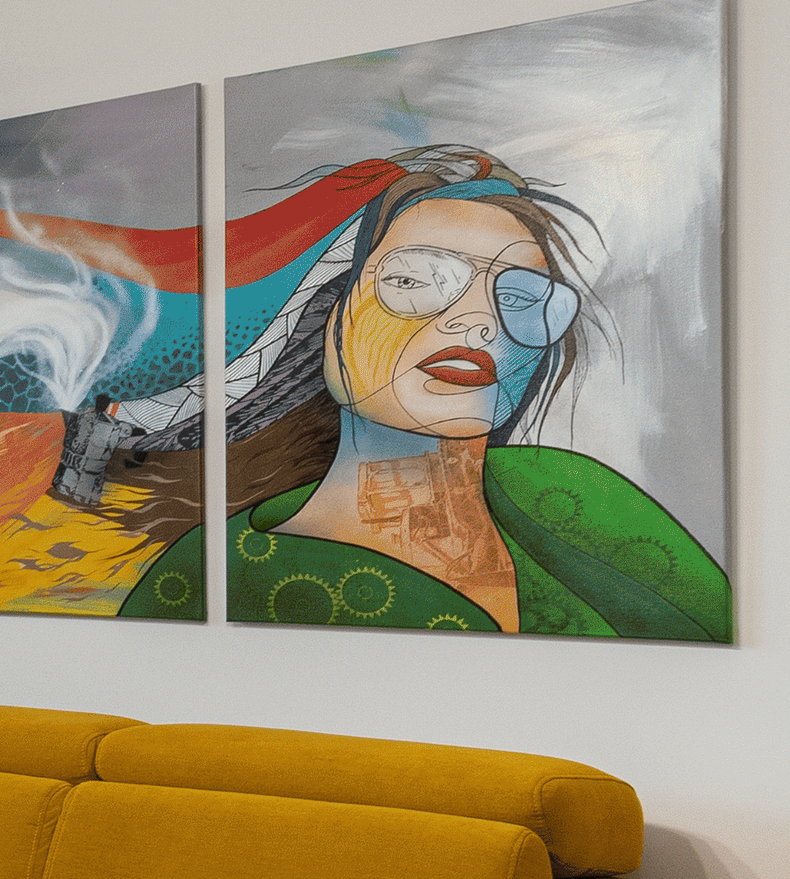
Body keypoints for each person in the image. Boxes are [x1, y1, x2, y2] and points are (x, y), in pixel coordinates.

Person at [115, 146, 728, 637]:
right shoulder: (212, 574)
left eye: (521, 300)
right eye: (417, 280)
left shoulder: (576, 497)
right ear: (323, 321)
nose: (480, 323)